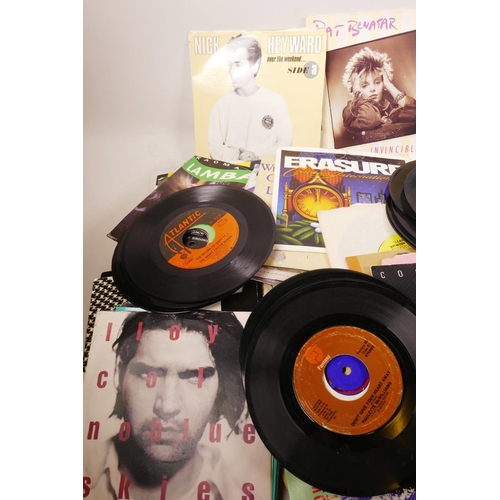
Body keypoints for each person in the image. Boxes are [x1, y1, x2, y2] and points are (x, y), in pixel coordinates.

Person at [84, 310, 266, 500]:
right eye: (148, 375)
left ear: (221, 388)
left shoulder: (240, 491)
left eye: (195, 377)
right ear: (118, 373)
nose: (167, 407)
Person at [208, 34, 293, 162]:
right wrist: (238, 156)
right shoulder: (220, 106)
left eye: (238, 65)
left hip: (265, 170)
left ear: (255, 66)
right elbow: (214, 147)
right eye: (230, 65)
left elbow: (286, 143)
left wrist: (257, 155)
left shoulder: (276, 102)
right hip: (230, 171)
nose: (231, 71)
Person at [341, 46, 416, 133]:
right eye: (364, 85)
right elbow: (371, 120)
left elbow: (415, 113)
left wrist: (388, 84)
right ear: (354, 89)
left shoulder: (389, 103)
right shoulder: (350, 111)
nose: (372, 89)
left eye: (377, 82)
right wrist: (357, 94)